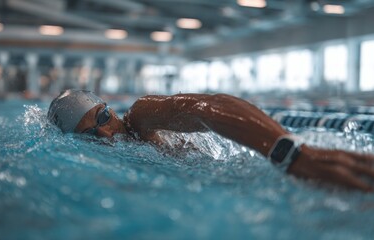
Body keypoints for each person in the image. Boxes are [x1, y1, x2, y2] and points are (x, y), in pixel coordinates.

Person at [48, 89, 374, 192]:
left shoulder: (141, 118)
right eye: (90, 135)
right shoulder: (99, 173)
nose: (105, 133)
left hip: (258, 165)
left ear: (111, 109)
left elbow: (211, 107)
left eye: (103, 118)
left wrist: (289, 152)